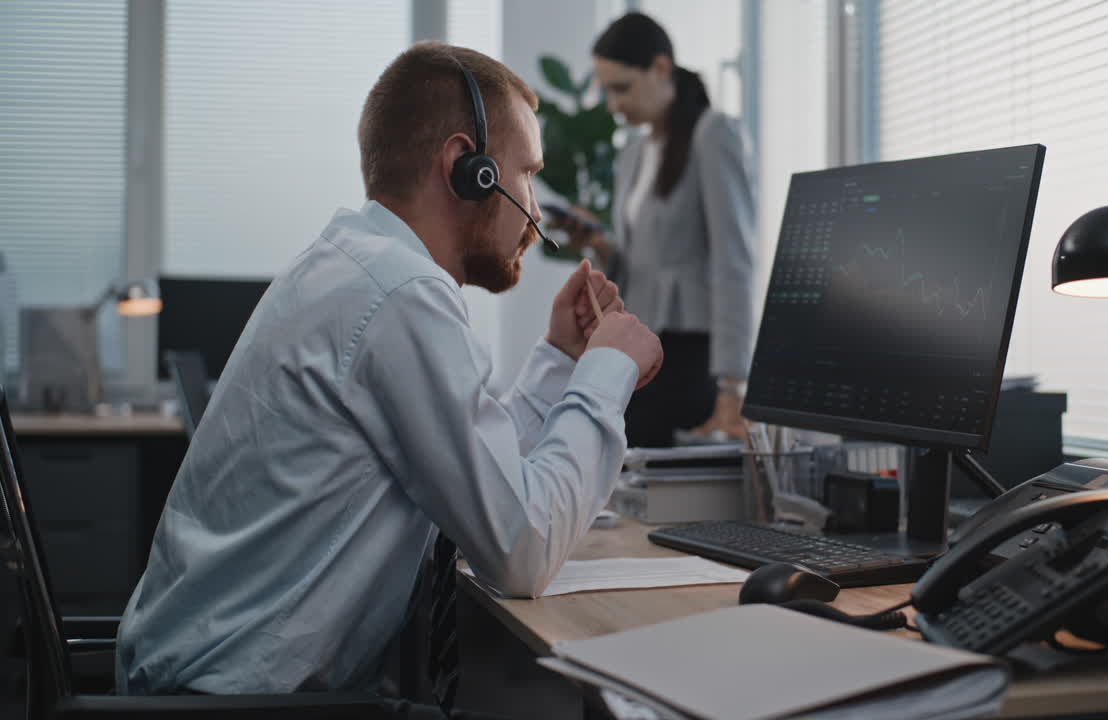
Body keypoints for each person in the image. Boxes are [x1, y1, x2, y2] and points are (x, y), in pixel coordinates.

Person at [114, 42, 663, 699]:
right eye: (527, 174)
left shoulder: (358, 265)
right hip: (233, 706)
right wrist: (607, 372)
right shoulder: (399, 292)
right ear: (469, 169)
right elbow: (523, 547)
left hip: (201, 685)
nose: (538, 213)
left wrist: (558, 360)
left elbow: (475, 474)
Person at [553, 12, 757, 448]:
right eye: (606, 90)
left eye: (621, 87)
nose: (612, 104)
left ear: (661, 69)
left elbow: (733, 260)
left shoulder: (712, 133)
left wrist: (731, 384)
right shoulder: (635, 151)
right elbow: (641, 259)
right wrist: (599, 243)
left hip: (691, 352)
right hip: (640, 345)